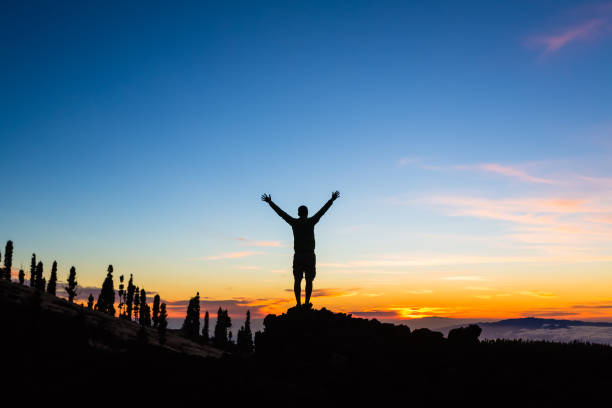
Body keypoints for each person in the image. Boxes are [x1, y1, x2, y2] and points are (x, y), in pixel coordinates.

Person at [261, 191, 340, 308]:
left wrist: (270, 203)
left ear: (299, 213)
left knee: (297, 280)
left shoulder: (295, 222)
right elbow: (322, 211)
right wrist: (331, 200)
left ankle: (298, 304)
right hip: (309, 255)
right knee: (309, 281)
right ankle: (306, 303)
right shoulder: (310, 221)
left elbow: (281, 213)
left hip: (299, 255)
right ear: (307, 213)